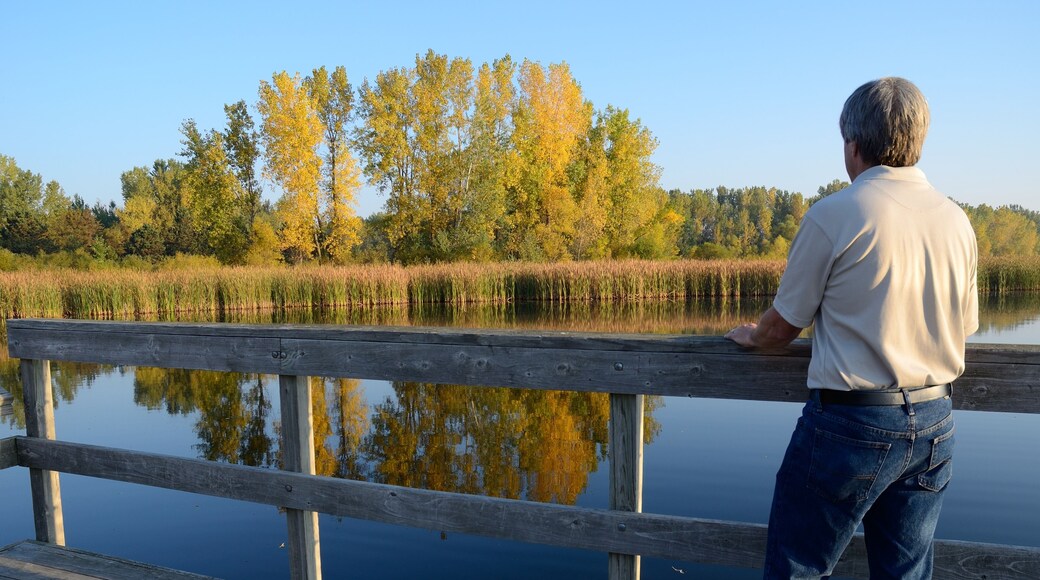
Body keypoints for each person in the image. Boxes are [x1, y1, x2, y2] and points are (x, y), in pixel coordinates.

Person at [725, 77, 978, 579]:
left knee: (797, 568)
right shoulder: (956, 222)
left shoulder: (836, 215)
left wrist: (751, 335)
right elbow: (963, 327)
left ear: (854, 144)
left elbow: (781, 330)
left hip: (851, 424)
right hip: (935, 420)